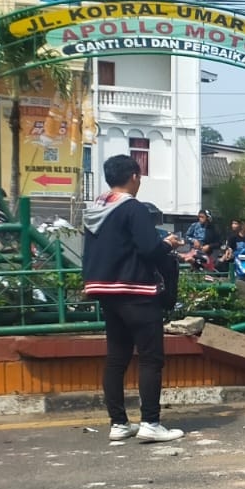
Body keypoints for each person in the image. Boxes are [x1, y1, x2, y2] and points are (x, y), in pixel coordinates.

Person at [82, 154, 186, 443]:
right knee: (150, 359)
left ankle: (118, 424)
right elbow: (149, 250)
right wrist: (167, 243)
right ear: (134, 176)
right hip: (136, 292)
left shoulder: (96, 209)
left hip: (106, 292)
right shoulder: (133, 208)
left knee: (117, 359)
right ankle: (150, 422)